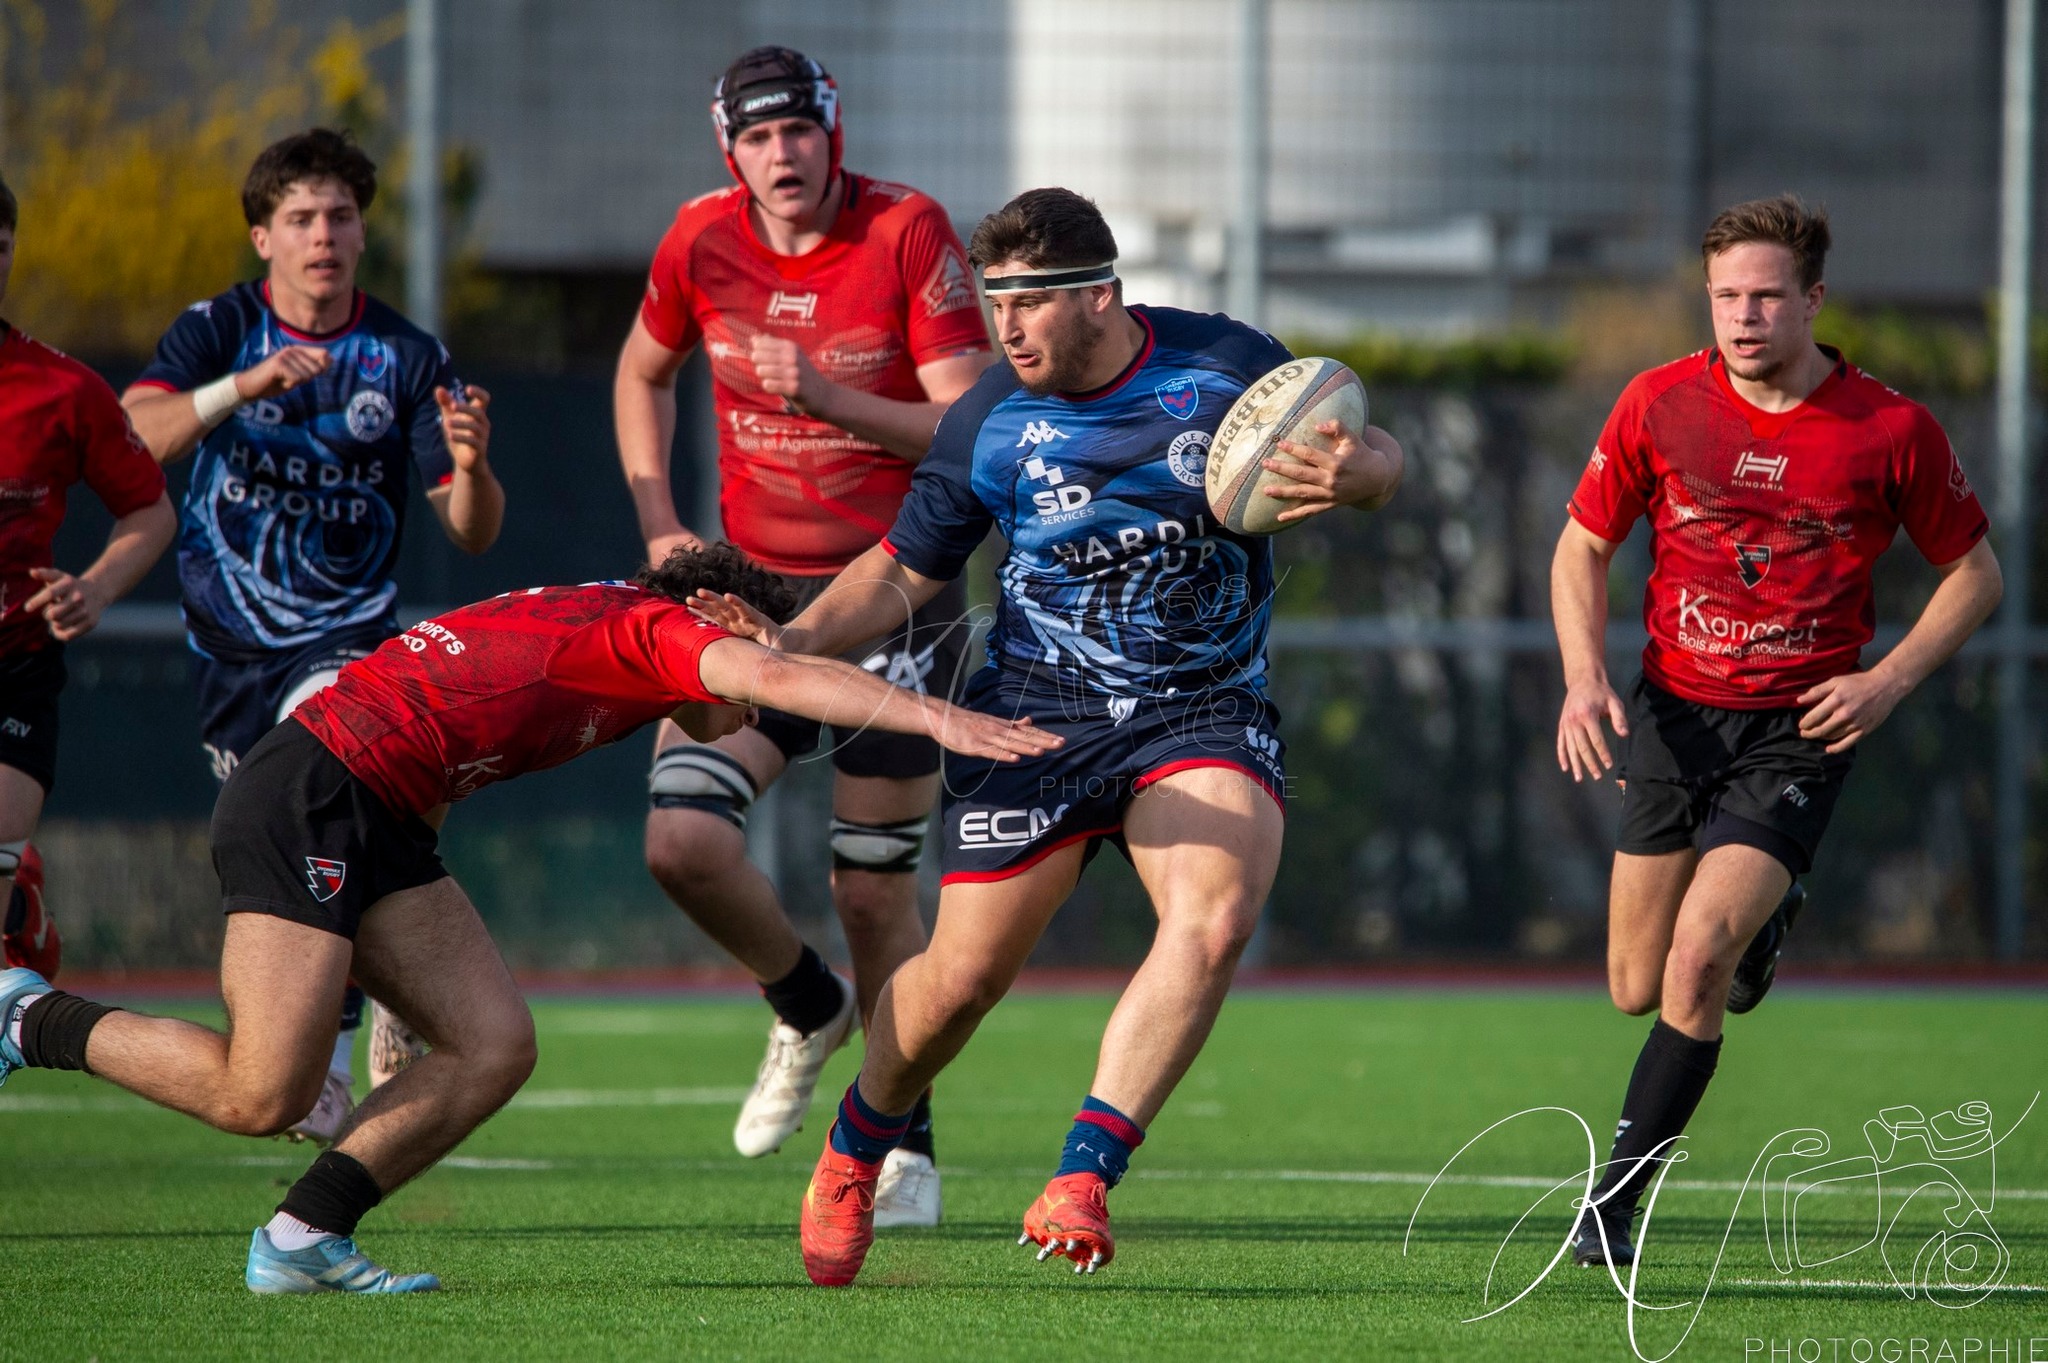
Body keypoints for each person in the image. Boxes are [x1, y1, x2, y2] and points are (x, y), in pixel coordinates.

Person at [0, 544, 1059, 1295]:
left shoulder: (605, 625)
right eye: (745, 667)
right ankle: (22, 1014)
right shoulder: (660, 629)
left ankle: (304, 1232)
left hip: (381, 819)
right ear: (719, 617)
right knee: (260, 1091)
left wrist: (394, 961)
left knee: (495, 1044)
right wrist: (949, 720)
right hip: (310, 798)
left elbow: (445, 715)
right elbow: (776, 671)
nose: (746, 715)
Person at [687, 187, 1402, 1285]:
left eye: (1027, 303)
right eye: (993, 304)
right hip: (1036, 718)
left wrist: (1365, 475)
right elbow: (895, 569)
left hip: (1196, 706)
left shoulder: (1223, 364)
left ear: (1100, 296)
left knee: (1211, 919)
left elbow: (1371, 453)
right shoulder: (986, 418)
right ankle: (854, 1145)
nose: (1004, 328)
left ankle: (1083, 1174)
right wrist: (792, 638)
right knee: (959, 982)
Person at [1550, 195, 2003, 1268]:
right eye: (1723, 298)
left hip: (1799, 727)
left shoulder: (1887, 428)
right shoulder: (1658, 404)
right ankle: (1766, 918)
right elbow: (1580, 545)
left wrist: (1883, 683)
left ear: (1811, 300)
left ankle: (1609, 1205)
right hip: (1671, 715)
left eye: (1762, 297)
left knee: (1695, 961)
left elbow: (1973, 575)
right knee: (1632, 983)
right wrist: (1580, 678)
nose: (1741, 317)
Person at [614, 45, 994, 1222]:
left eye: (799, 132)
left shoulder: (904, 231)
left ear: (833, 132)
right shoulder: (697, 239)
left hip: (894, 593)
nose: (782, 155)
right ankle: (804, 1002)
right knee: (681, 838)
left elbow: (971, 428)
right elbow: (641, 372)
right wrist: (661, 520)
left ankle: (902, 1140)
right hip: (752, 599)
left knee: (873, 891)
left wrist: (828, 399)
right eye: (758, 137)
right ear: (728, 151)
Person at [122, 128, 504, 1140]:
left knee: (323, 809)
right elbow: (135, 432)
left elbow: (470, 531)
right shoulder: (217, 332)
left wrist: (470, 466)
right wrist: (239, 390)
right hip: (229, 658)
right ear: (263, 237)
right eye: (300, 218)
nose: (323, 235)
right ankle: (369, 1009)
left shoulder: (406, 356)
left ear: (361, 234)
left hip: (346, 646)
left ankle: (342, 1055)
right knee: (300, 858)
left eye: (340, 216)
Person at [0, 170, 179, 979]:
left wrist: (97, 586)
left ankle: (11, 890)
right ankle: (18, 902)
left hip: (13, 668)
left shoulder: (64, 389)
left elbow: (152, 511)